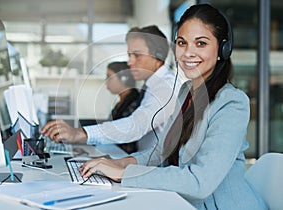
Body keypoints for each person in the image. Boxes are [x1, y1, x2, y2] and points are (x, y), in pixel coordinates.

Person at [78, 4, 267, 210]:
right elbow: (160, 154)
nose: (188, 53)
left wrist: (124, 173)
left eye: (201, 43)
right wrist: (120, 164)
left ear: (223, 49)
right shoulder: (186, 92)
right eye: (182, 43)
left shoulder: (231, 103)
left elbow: (200, 182)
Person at [41, 25, 180, 153]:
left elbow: (136, 126)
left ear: (158, 56)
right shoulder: (152, 85)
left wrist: (80, 134)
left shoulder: (166, 87)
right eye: (129, 55)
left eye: (137, 55)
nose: (130, 62)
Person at [106, 61, 140, 153]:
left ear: (124, 78)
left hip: (126, 156)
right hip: (116, 150)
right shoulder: (121, 102)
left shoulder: (135, 102)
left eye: (109, 77)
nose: (106, 81)